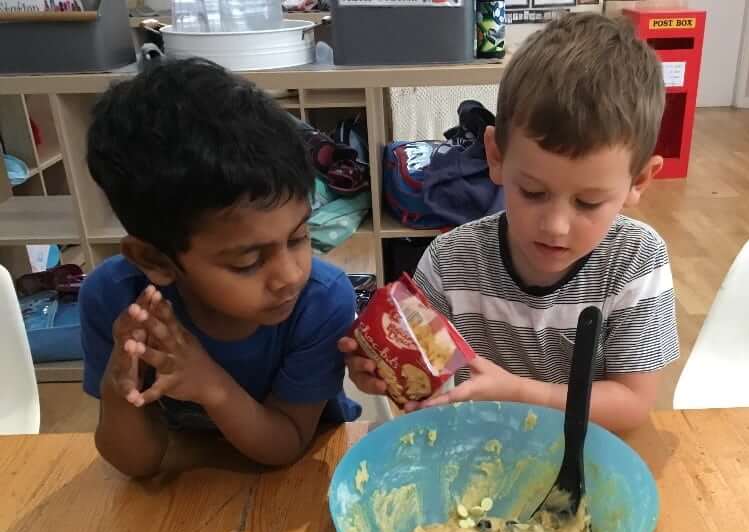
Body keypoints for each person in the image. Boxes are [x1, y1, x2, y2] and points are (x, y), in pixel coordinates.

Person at [340, 13, 679, 433]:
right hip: (476, 446)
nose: (555, 226)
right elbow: (426, 386)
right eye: (533, 193)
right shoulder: (450, 261)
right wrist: (383, 368)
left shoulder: (635, 259)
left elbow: (631, 405)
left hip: (579, 454)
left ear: (638, 181)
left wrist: (518, 392)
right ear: (496, 158)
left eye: (588, 202)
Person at [81, 58, 359, 478]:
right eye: (248, 261)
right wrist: (122, 386)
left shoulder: (320, 302)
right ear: (155, 260)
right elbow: (136, 465)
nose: (289, 275)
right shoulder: (118, 300)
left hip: (296, 475)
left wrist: (208, 383)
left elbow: (287, 443)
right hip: (187, 476)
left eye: (300, 237)